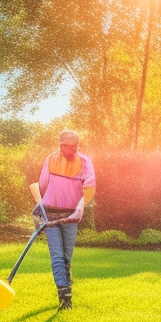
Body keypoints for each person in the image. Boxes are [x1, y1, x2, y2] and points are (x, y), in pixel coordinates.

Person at [29, 130, 96, 310]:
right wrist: (42, 207)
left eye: (75, 146)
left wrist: (81, 206)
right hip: (50, 213)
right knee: (57, 256)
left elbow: (90, 187)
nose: (72, 150)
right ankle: (65, 297)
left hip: (71, 215)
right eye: (68, 146)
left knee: (67, 257)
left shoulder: (84, 162)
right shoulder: (51, 160)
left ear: (78, 145)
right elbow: (43, 185)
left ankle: (65, 285)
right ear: (61, 145)